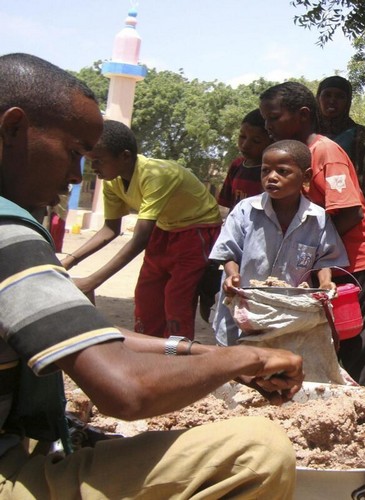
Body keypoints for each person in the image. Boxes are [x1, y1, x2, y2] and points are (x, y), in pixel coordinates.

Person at [0, 52, 302, 499]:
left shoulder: (152, 176)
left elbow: (96, 336)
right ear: (13, 127)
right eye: (74, 153)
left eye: (88, 159)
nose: (75, 176)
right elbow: (126, 392)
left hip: (188, 239)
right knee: (259, 451)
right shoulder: (9, 235)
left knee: (172, 309)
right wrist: (244, 358)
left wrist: (198, 354)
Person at [260, 82, 365, 386]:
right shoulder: (290, 157)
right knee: (325, 337)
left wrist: (309, 251)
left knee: (356, 340)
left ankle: (360, 409)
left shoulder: (324, 152)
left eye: (274, 118)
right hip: (329, 263)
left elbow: (350, 212)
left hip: (362, 259)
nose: (267, 126)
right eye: (265, 119)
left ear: (303, 115)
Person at [61, 120, 222, 339]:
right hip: (164, 229)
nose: (93, 168)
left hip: (196, 230)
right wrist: (67, 262)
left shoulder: (157, 174)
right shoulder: (112, 181)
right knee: (147, 295)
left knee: (177, 298)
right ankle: (149, 351)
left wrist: (93, 281)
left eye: (98, 161)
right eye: (90, 162)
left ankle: (177, 357)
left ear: (125, 156)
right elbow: (110, 229)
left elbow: (140, 238)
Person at [210, 139, 349, 346]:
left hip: (287, 314)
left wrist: (325, 283)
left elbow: (325, 258)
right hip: (243, 309)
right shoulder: (245, 210)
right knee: (236, 367)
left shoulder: (317, 218)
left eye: (283, 171)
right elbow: (228, 251)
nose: (271, 177)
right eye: (265, 171)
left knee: (279, 366)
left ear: (306, 176)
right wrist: (233, 276)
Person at [317, 76, 365, 220]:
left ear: (348, 102)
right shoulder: (306, 133)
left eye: (339, 96)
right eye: (327, 95)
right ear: (318, 98)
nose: (332, 100)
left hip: (350, 215)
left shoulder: (362, 136)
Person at [217, 108, 273, 215]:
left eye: (256, 141)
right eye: (242, 136)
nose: (245, 145)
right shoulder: (236, 165)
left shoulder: (272, 171)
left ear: (272, 140)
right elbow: (229, 206)